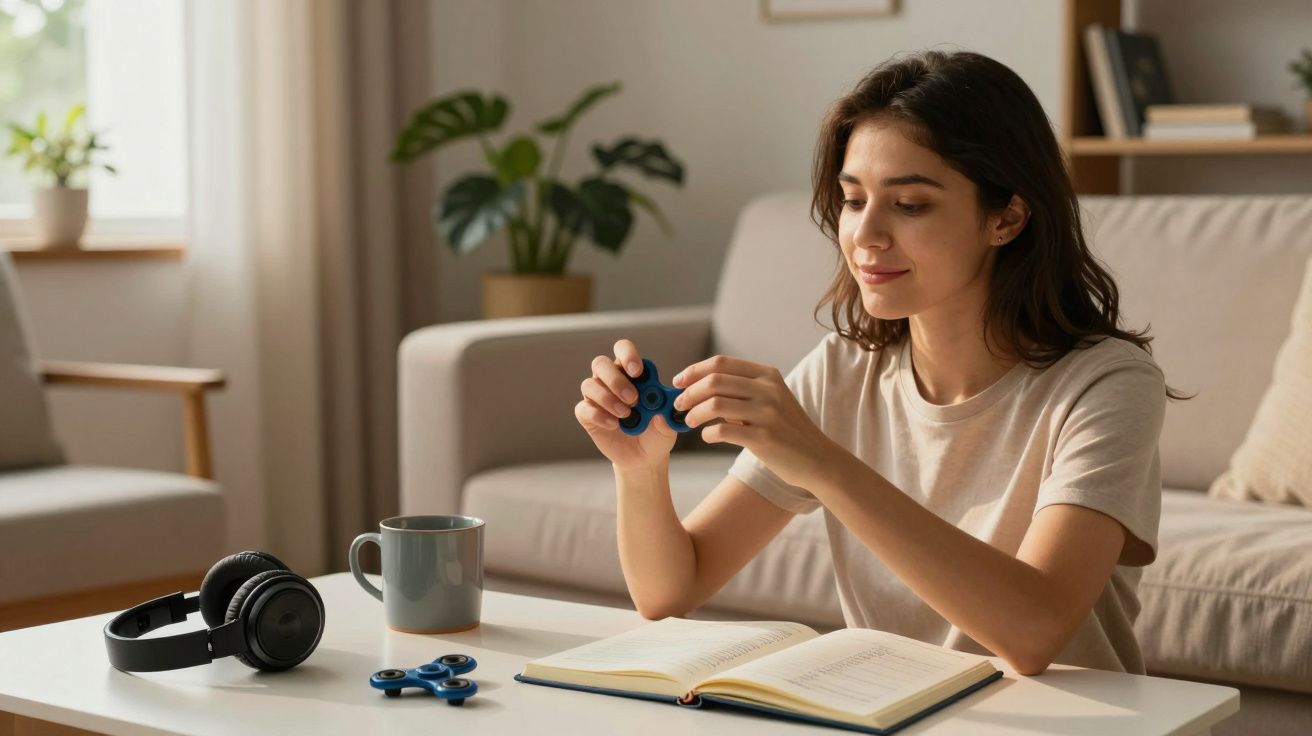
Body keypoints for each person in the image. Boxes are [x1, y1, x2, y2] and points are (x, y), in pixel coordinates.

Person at [572, 49, 1192, 677]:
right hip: (898, 714)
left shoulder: (1108, 385)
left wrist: (822, 463)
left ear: (1005, 217)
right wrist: (642, 470)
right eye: (851, 199)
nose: (864, 234)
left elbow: (1035, 633)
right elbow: (669, 590)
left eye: (910, 204)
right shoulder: (843, 371)